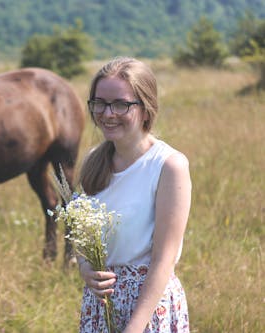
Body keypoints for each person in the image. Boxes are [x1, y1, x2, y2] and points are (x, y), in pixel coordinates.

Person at [77, 57, 191, 332]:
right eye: (99, 102)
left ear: (146, 108)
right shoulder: (93, 160)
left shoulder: (169, 166)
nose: (107, 113)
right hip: (101, 305)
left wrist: (135, 326)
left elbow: (163, 260)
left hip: (148, 308)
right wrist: (84, 268)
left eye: (120, 104)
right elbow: (80, 234)